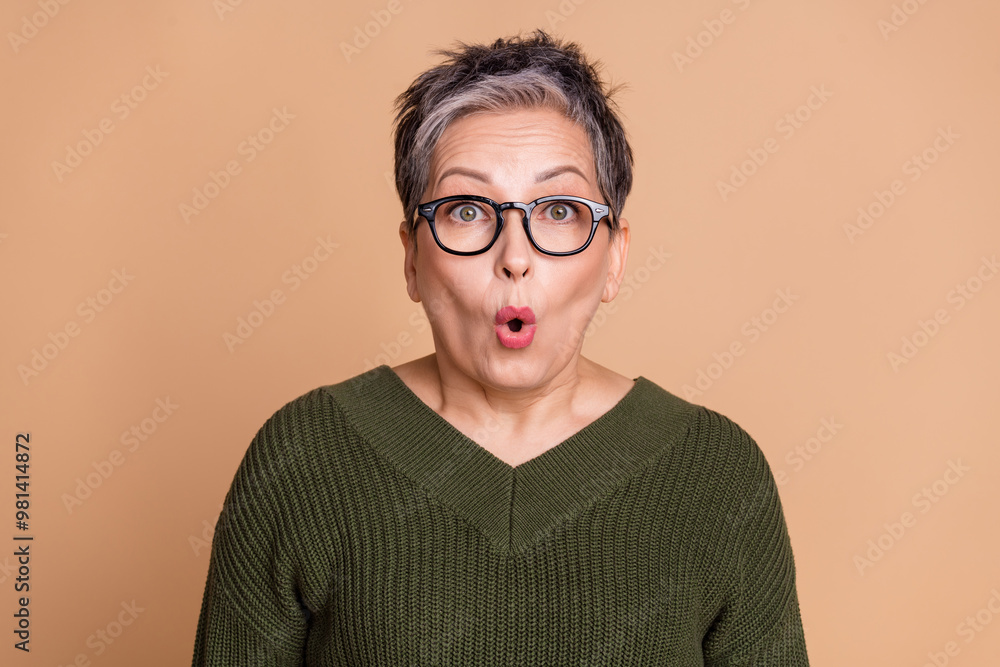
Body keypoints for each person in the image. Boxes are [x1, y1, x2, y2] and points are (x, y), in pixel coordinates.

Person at [192, 29, 810, 665]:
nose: (514, 258)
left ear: (615, 256)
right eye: (467, 210)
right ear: (411, 257)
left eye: (559, 211)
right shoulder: (303, 459)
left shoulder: (717, 475)